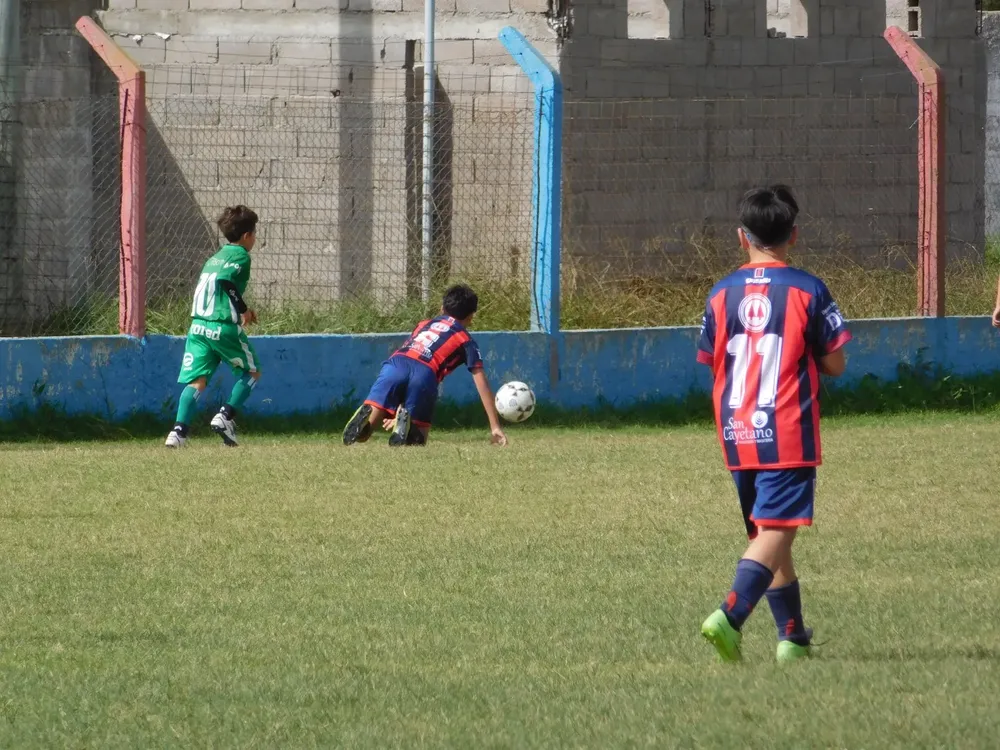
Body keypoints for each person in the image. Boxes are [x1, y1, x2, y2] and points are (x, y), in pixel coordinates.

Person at [696, 185, 851, 663]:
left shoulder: (720, 293)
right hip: (785, 427)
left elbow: (712, 358)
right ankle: (730, 616)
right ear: (794, 235)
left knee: (767, 534)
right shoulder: (808, 289)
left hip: (737, 430)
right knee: (778, 530)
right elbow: (836, 363)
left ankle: (792, 638)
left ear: (741, 237)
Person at [342, 284, 508, 447]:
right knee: (417, 442)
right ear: (471, 317)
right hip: (425, 372)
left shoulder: (423, 324)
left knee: (368, 425)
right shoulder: (465, 340)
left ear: (442, 308)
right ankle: (407, 428)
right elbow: (481, 383)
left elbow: (408, 368)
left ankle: (365, 426)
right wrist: (495, 427)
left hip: (396, 364)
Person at [165, 205, 261, 448]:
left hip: (198, 327)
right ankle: (225, 416)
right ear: (247, 235)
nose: (255, 239)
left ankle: (178, 433)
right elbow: (226, 280)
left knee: (197, 380)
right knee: (252, 372)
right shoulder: (240, 255)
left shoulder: (215, 257)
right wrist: (243, 310)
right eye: (254, 234)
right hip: (221, 326)